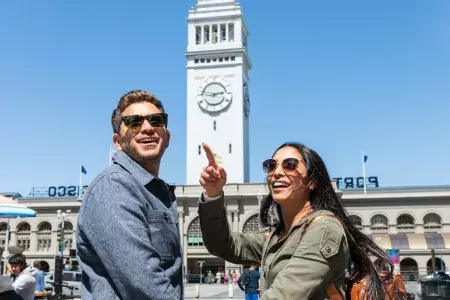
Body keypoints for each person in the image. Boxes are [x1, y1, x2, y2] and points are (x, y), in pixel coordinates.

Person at [198, 142, 393, 299]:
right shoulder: (276, 237)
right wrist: (213, 194)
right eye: (271, 165)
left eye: (290, 164)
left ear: (312, 181)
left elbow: (284, 294)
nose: (276, 172)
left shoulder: (324, 228)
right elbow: (223, 245)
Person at [77, 90, 182, 300]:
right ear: (117, 141)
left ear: (167, 137)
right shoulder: (113, 186)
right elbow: (144, 283)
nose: (147, 128)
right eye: (134, 122)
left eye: (156, 120)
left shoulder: (156, 191)